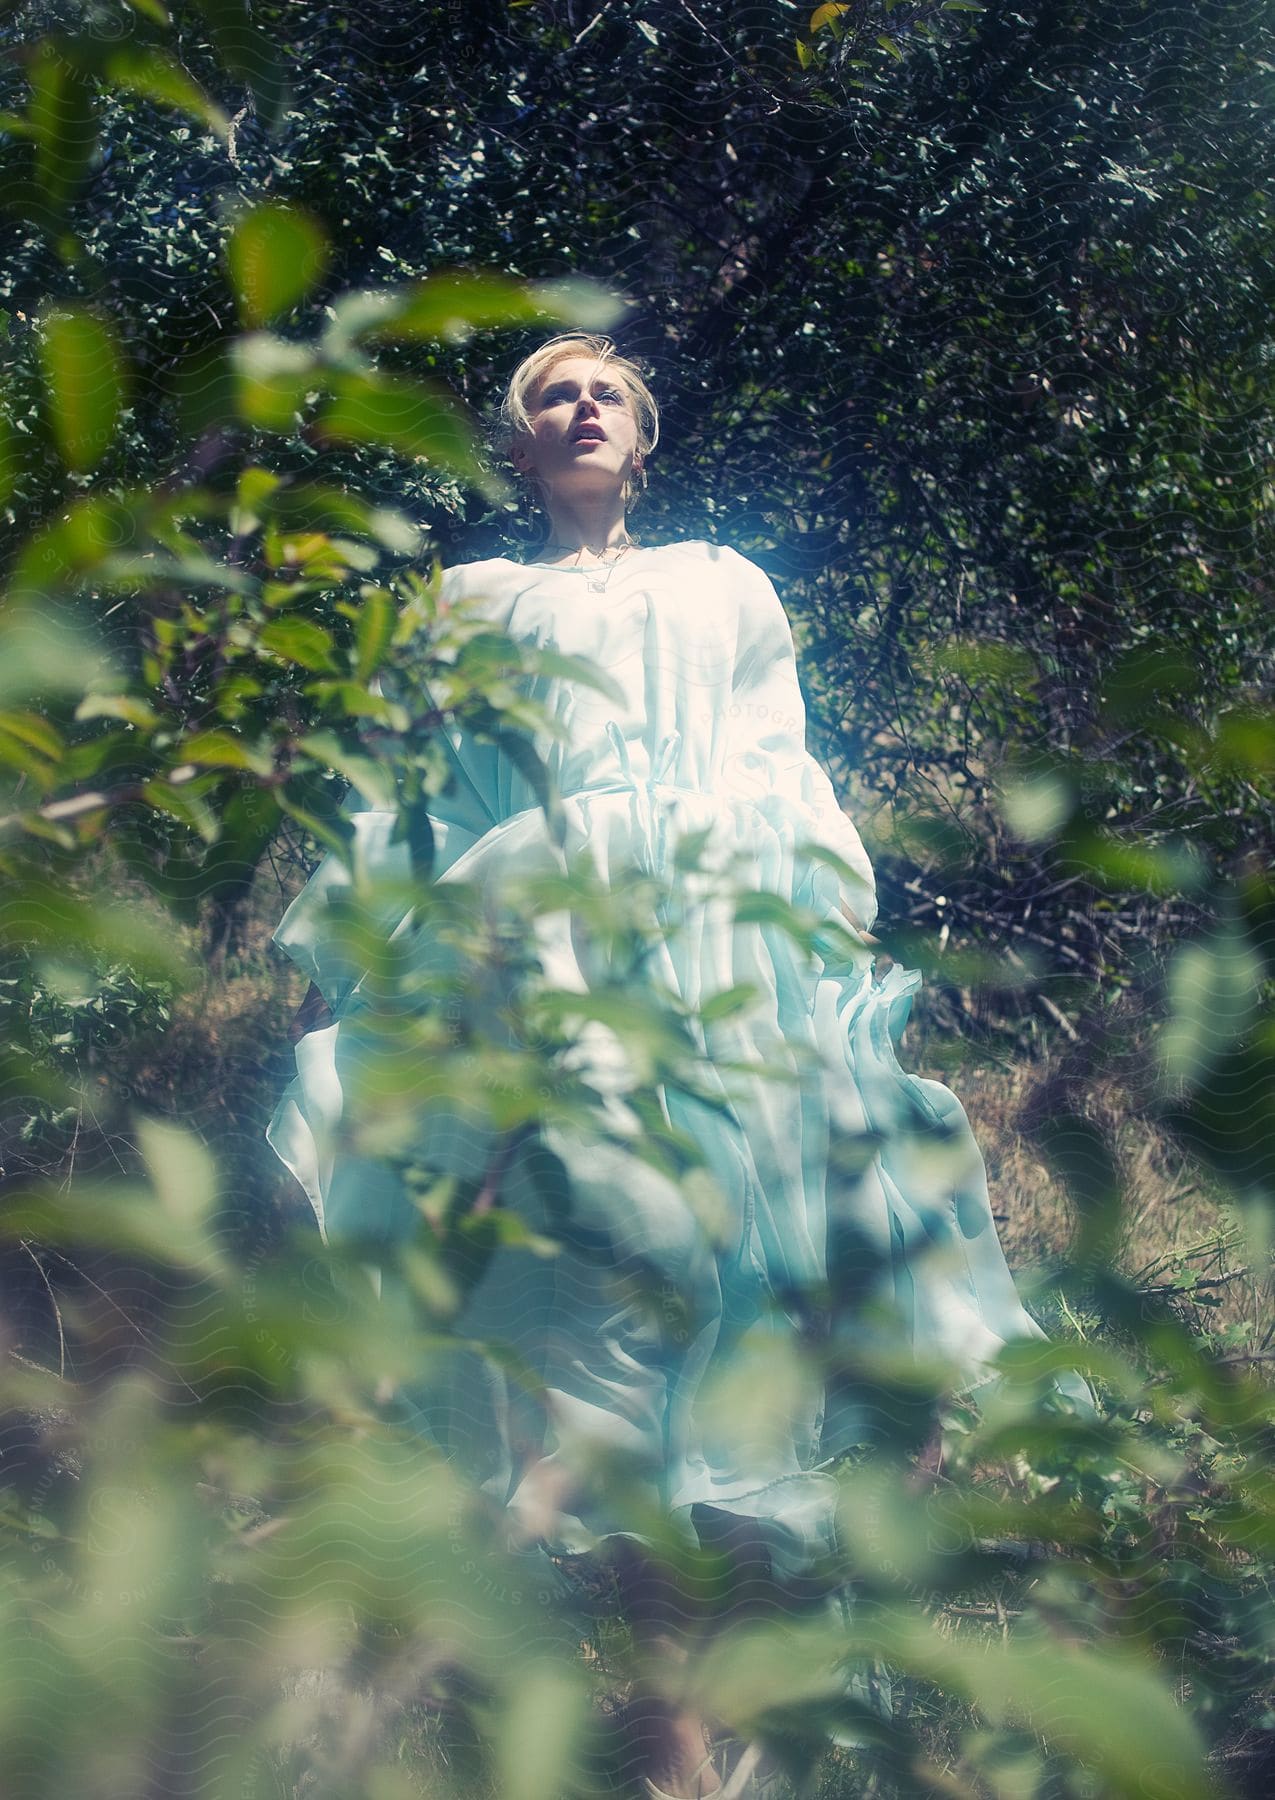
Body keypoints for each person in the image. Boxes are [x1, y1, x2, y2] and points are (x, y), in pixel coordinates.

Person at [267, 333, 1095, 1798]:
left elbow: (780, 762)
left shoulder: (725, 581)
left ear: (640, 439)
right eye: (548, 400)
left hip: (725, 948)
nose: (579, 411)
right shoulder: (471, 600)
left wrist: (823, 935)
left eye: (605, 396)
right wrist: (370, 948)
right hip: (554, 945)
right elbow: (428, 790)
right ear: (517, 450)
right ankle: (669, 1733)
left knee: (753, 1309)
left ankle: (753, 1693)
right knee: (602, 1310)